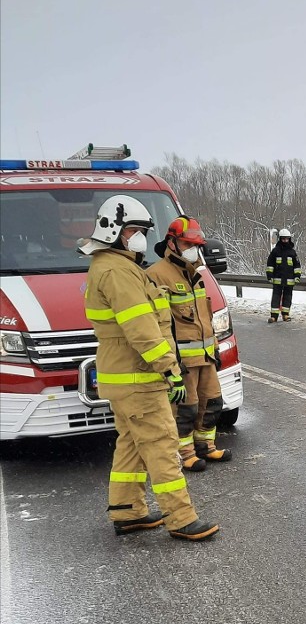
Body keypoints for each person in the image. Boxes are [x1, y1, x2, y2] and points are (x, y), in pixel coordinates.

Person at [78, 196, 219, 541]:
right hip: (138, 375)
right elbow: (141, 329)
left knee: (131, 444)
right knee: (161, 443)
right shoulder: (116, 270)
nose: (139, 237)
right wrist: (170, 369)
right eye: (134, 230)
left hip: (125, 374)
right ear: (113, 230)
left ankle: (128, 512)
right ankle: (181, 518)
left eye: (141, 231)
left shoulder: (117, 266)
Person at [147, 216, 233, 472]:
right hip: (182, 360)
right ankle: (185, 454)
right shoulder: (156, 276)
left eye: (196, 245)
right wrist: (169, 362)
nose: (193, 249)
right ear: (172, 243)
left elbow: (204, 315)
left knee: (212, 403)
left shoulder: (195, 273)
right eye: (187, 244)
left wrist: (215, 347)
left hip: (205, 356)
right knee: (186, 409)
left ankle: (205, 446)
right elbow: (159, 325)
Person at [265, 227, 302, 322]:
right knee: (276, 297)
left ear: (289, 239)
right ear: (280, 239)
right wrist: (270, 275)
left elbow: (297, 266)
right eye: (283, 239)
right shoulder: (275, 251)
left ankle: (285, 315)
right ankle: (274, 316)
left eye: (287, 239)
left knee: (287, 297)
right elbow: (270, 264)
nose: (285, 240)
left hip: (289, 280)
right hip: (277, 279)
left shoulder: (292, 252)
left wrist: (297, 276)